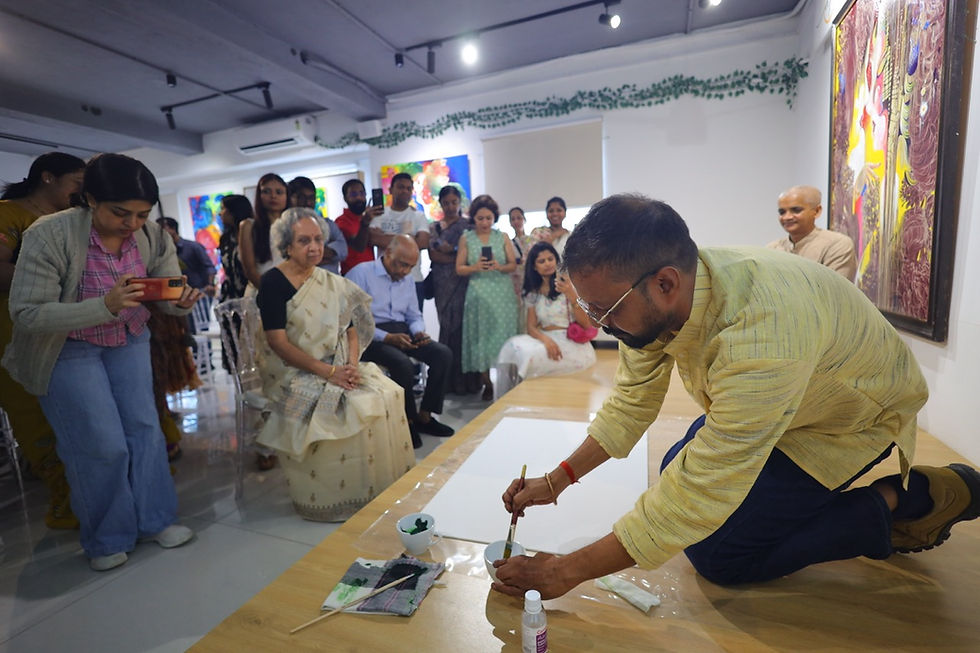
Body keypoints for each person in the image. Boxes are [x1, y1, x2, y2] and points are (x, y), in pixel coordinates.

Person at [492, 194, 979, 600]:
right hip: (793, 398)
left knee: (721, 556)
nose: (600, 325)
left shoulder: (761, 336)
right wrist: (556, 482)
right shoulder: (667, 291)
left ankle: (905, 500)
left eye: (605, 310)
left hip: (849, 415)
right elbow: (631, 402)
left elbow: (698, 493)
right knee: (674, 471)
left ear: (665, 284)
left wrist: (565, 572)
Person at [3, 153, 201, 571]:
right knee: (100, 444)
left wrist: (180, 302)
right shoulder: (50, 234)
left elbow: (164, 295)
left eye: (142, 214)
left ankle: (156, 519)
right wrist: (104, 305)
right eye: (120, 212)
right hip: (67, 347)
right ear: (89, 198)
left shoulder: (149, 235)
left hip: (128, 339)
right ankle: (107, 537)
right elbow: (27, 312)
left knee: (145, 430)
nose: (131, 223)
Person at [255, 208, 414, 521]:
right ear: (286, 245)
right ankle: (331, 499)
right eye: (304, 241)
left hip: (340, 365)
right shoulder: (273, 282)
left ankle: (376, 489)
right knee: (343, 407)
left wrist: (351, 366)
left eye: (317, 239)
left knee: (388, 393)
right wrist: (329, 372)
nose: (314, 247)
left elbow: (352, 329)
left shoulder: (331, 280)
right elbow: (278, 343)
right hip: (296, 370)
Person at [0, 151, 85, 529]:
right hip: (13, 330)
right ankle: (65, 503)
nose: (80, 194)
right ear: (48, 177)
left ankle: (89, 496)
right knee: (34, 414)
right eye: (76, 185)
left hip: (62, 329)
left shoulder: (65, 220)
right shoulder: (8, 214)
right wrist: (54, 278)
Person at [348, 235, 455, 448]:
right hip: (369, 336)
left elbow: (413, 315)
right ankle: (408, 422)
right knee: (402, 364)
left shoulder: (407, 279)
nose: (406, 271)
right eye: (402, 265)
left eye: (411, 267)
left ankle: (425, 415)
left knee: (442, 353)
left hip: (402, 331)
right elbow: (354, 321)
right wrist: (387, 337)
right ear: (387, 253)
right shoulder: (361, 273)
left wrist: (418, 332)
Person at [496, 241, 596, 395]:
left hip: (569, 340)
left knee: (530, 355)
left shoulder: (569, 286)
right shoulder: (533, 293)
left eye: (550, 259)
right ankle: (510, 397)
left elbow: (586, 324)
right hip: (544, 336)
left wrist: (572, 295)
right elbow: (531, 326)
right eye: (541, 261)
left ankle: (527, 396)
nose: (547, 264)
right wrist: (546, 340)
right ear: (534, 267)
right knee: (510, 346)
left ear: (556, 260)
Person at [456, 194, 519, 401]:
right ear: (473, 218)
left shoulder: (502, 237)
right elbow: (459, 268)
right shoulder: (466, 237)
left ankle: (509, 382)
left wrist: (499, 267)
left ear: (494, 218)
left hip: (502, 294)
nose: (484, 222)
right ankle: (487, 384)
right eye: (480, 218)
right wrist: (475, 267)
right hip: (478, 294)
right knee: (481, 338)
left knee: (504, 336)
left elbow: (513, 264)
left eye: (488, 218)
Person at [428, 185, 481, 395]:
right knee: (447, 328)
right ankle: (448, 384)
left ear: (460, 203)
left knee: (464, 330)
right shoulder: (434, 227)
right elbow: (433, 256)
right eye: (446, 203)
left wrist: (454, 256)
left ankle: (470, 383)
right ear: (440, 204)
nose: (450, 207)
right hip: (442, 285)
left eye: (454, 202)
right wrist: (456, 258)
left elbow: (472, 255)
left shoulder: (468, 225)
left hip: (464, 282)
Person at [766, 185, 857, 280]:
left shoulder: (837, 245)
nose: (787, 217)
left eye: (796, 210)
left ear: (817, 211)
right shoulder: (772, 249)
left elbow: (832, 290)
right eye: (782, 212)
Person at [371, 172, 431, 309]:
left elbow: (422, 243)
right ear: (391, 190)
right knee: (386, 325)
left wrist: (385, 237)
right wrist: (410, 238)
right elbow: (373, 239)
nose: (405, 191)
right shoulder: (380, 215)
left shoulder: (418, 216)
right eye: (401, 187)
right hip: (383, 280)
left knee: (415, 325)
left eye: (409, 188)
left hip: (413, 280)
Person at [157, 216, 216, 333]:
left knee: (201, 329)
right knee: (188, 330)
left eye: (161, 230)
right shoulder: (163, 252)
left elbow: (209, 266)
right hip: (179, 296)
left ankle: (206, 351)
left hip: (199, 292)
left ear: (172, 229)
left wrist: (210, 284)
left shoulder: (193, 247)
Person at [286, 176, 347, 274]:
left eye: (312, 198)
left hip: (330, 284)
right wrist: (328, 255)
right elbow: (289, 261)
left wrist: (308, 257)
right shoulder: (284, 227)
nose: (308, 202)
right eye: (302, 197)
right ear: (290, 198)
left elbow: (343, 249)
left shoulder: (327, 223)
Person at [239, 173, 288, 289]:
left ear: (287, 196)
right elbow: (249, 270)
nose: (273, 196)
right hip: (261, 288)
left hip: (294, 287)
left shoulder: (293, 224)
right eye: (266, 191)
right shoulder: (248, 225)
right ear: (259, 195)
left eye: (279, 192)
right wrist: (269, 292)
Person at [335, 179, 384, 275]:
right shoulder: (341, 222)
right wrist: (365, 223)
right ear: (345, 198)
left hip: (371, 274)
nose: (359, 197)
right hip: (352, 276)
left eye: (362, 193)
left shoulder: (368, 218)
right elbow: (359, 246)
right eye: (353, 194)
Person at [217, 194, 252, 303]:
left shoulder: (254, 234)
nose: (220, 213)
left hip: (250, 292)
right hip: (231, 295)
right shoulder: (226, 238)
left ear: (233, 211)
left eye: (223, 208)